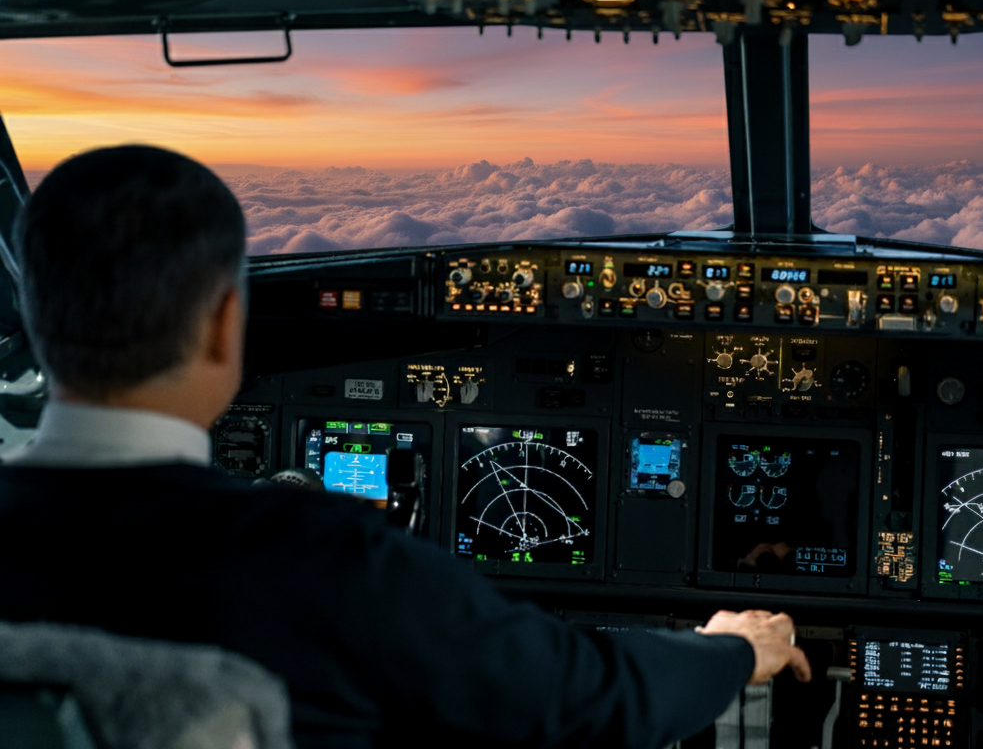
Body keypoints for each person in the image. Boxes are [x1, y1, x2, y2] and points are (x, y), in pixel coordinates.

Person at [0, 146, 811, 748]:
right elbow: (591, 702)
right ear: (222, 324)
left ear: (35, 320)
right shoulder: (330, 562)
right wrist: (731, 650)